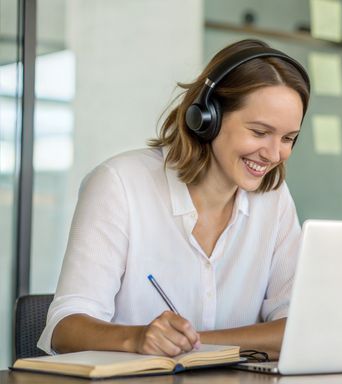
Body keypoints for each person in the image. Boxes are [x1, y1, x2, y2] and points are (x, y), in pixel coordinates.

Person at [37, 39, 310, 360]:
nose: (274, 153)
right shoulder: (119, 183)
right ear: (208, 117)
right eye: (259, 132)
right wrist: (137, 338)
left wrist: (196, 343)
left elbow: (298, 326)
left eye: (288, 138)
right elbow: (65, 327)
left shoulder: (273, 200)